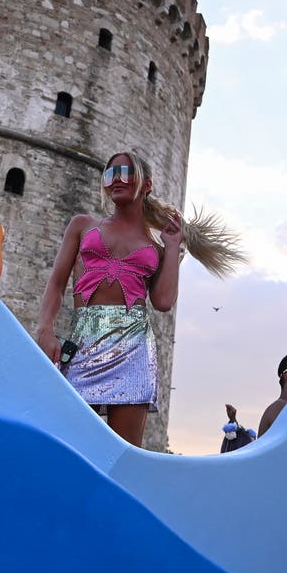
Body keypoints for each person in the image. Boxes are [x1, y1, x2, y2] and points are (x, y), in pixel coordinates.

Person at [35, 151, 244, 447]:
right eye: (110, 174)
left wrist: (172, 248)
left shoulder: (155, 248)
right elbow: (56, 283)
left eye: (125, 172)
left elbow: (162, 301)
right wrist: (45, 329)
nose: (116, 179)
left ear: (147, 184)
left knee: (124, 453)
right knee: (71, 445)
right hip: (83, 343)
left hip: (133, 350)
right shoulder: (82, 225)